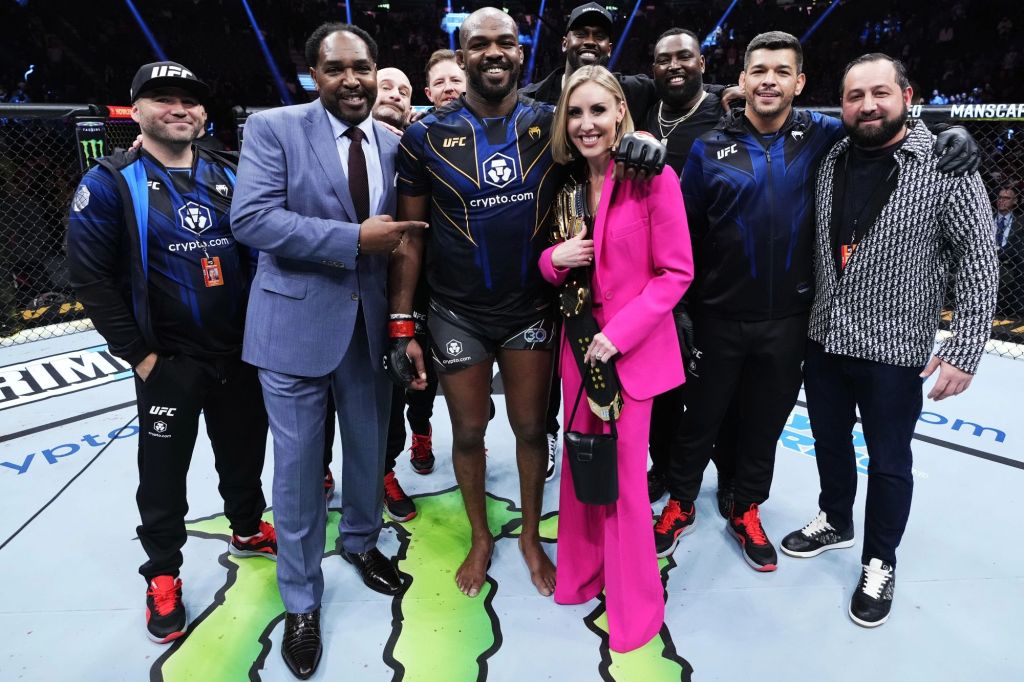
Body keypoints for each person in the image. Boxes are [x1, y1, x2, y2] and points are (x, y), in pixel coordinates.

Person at [653, 31, 982, 572]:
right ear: (741, 80)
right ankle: (681, 504)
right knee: (699, 422)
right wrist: (681, 309)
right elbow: (679, 236)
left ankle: (747, 508)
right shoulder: (710, 148)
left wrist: (951, 130)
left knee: (766, 424)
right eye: (758, 70)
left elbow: (889, 124)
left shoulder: (823, 135)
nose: (769, 81)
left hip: (791, 323)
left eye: (782, 71)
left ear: (799, 83)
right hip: (717, 317)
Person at [230, 23, 426, 679]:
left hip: (369, 328)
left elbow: (406, 238)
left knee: (369, 452)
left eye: (363, 67)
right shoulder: (273, 128)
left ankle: (363, 544)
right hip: (292, 329)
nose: (351, 80)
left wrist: (404, 319)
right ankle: (302, 600)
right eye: (336, 68)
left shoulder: (398, 142)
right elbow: (251, 220)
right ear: (314, 73)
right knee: (296, 474)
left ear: (378, 72)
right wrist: (351, 238)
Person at [780, 53, 998, 628]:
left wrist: (964, 348)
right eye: (855, 96)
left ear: (907, 95)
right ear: (842, 104)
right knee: (829, 440)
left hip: (894, 348)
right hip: (826, 335)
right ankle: (835, 518)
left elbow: (977, 259)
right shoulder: (831, 158)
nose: (867, 105)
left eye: (880, 93)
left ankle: (880, 558)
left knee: (890, 461)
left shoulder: (945, 164)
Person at [66, 61, 275, 644]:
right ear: (136, 111)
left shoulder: (229, 172)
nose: (180, 108)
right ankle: (162, 573)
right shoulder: (109, 182)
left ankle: (245, 527)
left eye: (190, 99)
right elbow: (91, 278)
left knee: (243, 452)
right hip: (167, 360)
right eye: (163, 99)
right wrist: (138, 354)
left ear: (204, 112)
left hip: (237, 353)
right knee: (162, 476)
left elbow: (257, 251)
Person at [541, 65, 693, 653]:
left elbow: (675, 272)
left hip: (630, 359)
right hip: (578, 353)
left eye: (598, 111)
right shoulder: (569, 187)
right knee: (584, 472)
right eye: (575, 114)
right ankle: (580, 578)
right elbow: (549, 269)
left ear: (621, 115)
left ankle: (635, 609)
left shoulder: (653, 178)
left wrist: (622, 332)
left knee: (627, 485)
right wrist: (557, 258)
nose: (586, 124)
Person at [642, 28, 739, 516]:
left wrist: (729, 92)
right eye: (664, 59)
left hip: (713, 274)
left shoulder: (726, 111)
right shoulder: (642, 108)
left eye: (684, 56)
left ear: (703, 63)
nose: (674, 65)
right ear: (652, 68)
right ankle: (666, 467)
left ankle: (727, 477)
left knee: (715, 385)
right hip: (654, 277)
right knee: (661, 387)